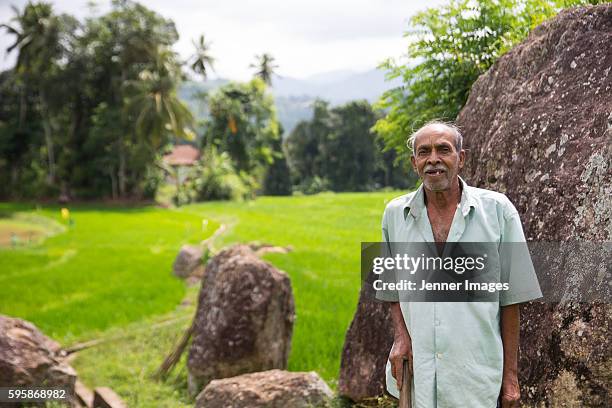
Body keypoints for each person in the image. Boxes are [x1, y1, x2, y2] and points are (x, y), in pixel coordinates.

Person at [375, 121, 542, 408]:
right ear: (414, 163)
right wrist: (401, 336)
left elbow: (512, 299)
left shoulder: (499, 211)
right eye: (424, 152)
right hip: (419, 376)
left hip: (475, 378)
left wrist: (510, 378)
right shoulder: (394, 214)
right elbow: (391, 288)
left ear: (460, 158)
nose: (433, 159)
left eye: (444, 149)